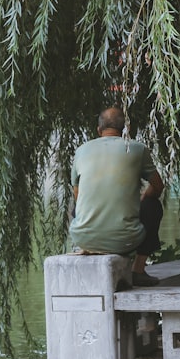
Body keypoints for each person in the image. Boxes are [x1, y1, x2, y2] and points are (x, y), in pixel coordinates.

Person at [69, 107, 165, 287]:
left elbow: (77, 196)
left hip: (83, 238)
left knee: (79, 205)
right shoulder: (137, 149)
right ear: (126, 129)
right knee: (153, 206)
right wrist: (143, 198)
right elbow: (158, 187)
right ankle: (138, 269)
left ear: (99, 130)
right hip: (125, 240)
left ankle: (86, 240)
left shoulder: (81, 151)